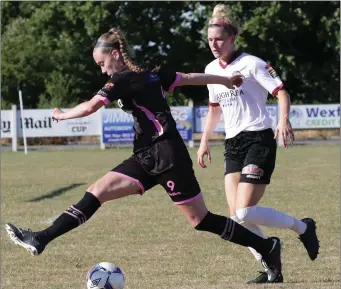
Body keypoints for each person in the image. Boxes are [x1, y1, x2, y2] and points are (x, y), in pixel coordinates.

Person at [6, 26, 283, 282]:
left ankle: (266, 246)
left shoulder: (124, 78)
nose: (103, 71)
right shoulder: (148, 72)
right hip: (145, 156)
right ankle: (40, 238)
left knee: (201, 220)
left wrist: (62, 115)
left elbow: (91, 106)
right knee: (97, 190)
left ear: (116, 54)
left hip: (168, 156)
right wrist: (226, 79)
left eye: (102, 64)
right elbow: (188, 78)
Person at [197, 4, 319, 284]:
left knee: (245, 212)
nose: (214, 45)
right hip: (233, 144)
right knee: (237, 218)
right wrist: (204, 142)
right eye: (210, 40)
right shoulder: (210, 69)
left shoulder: (252, 63)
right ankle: (271, 268)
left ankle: (303, 228)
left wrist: (283, 120)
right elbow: (214, 109)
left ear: (232, 39)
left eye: (219, 39)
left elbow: (281, 92)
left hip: (259, 139)